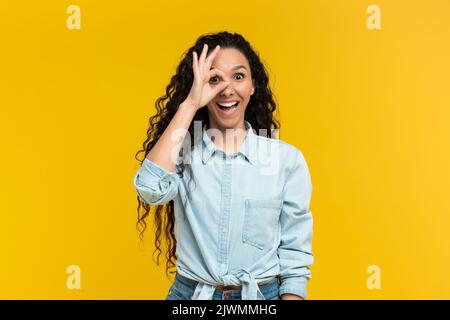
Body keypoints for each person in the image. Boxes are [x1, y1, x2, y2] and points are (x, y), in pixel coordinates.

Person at [133, 31, 313, 300]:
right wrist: (191, 104)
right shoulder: (182, 155)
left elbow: (294, 255)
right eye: (214, 79)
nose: (227, 89)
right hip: (191, 296)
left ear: (253, 85)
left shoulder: (286, 161)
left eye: (238, 76)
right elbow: (149, 188)